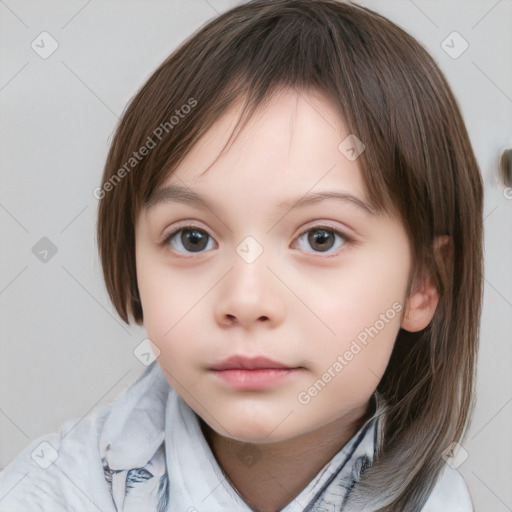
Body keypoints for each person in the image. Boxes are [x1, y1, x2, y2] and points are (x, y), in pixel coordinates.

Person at [0, 0, 483, 510]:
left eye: (321, 238)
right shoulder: (47, 496)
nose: (247, 300)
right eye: (193, 238)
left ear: (422, 282)